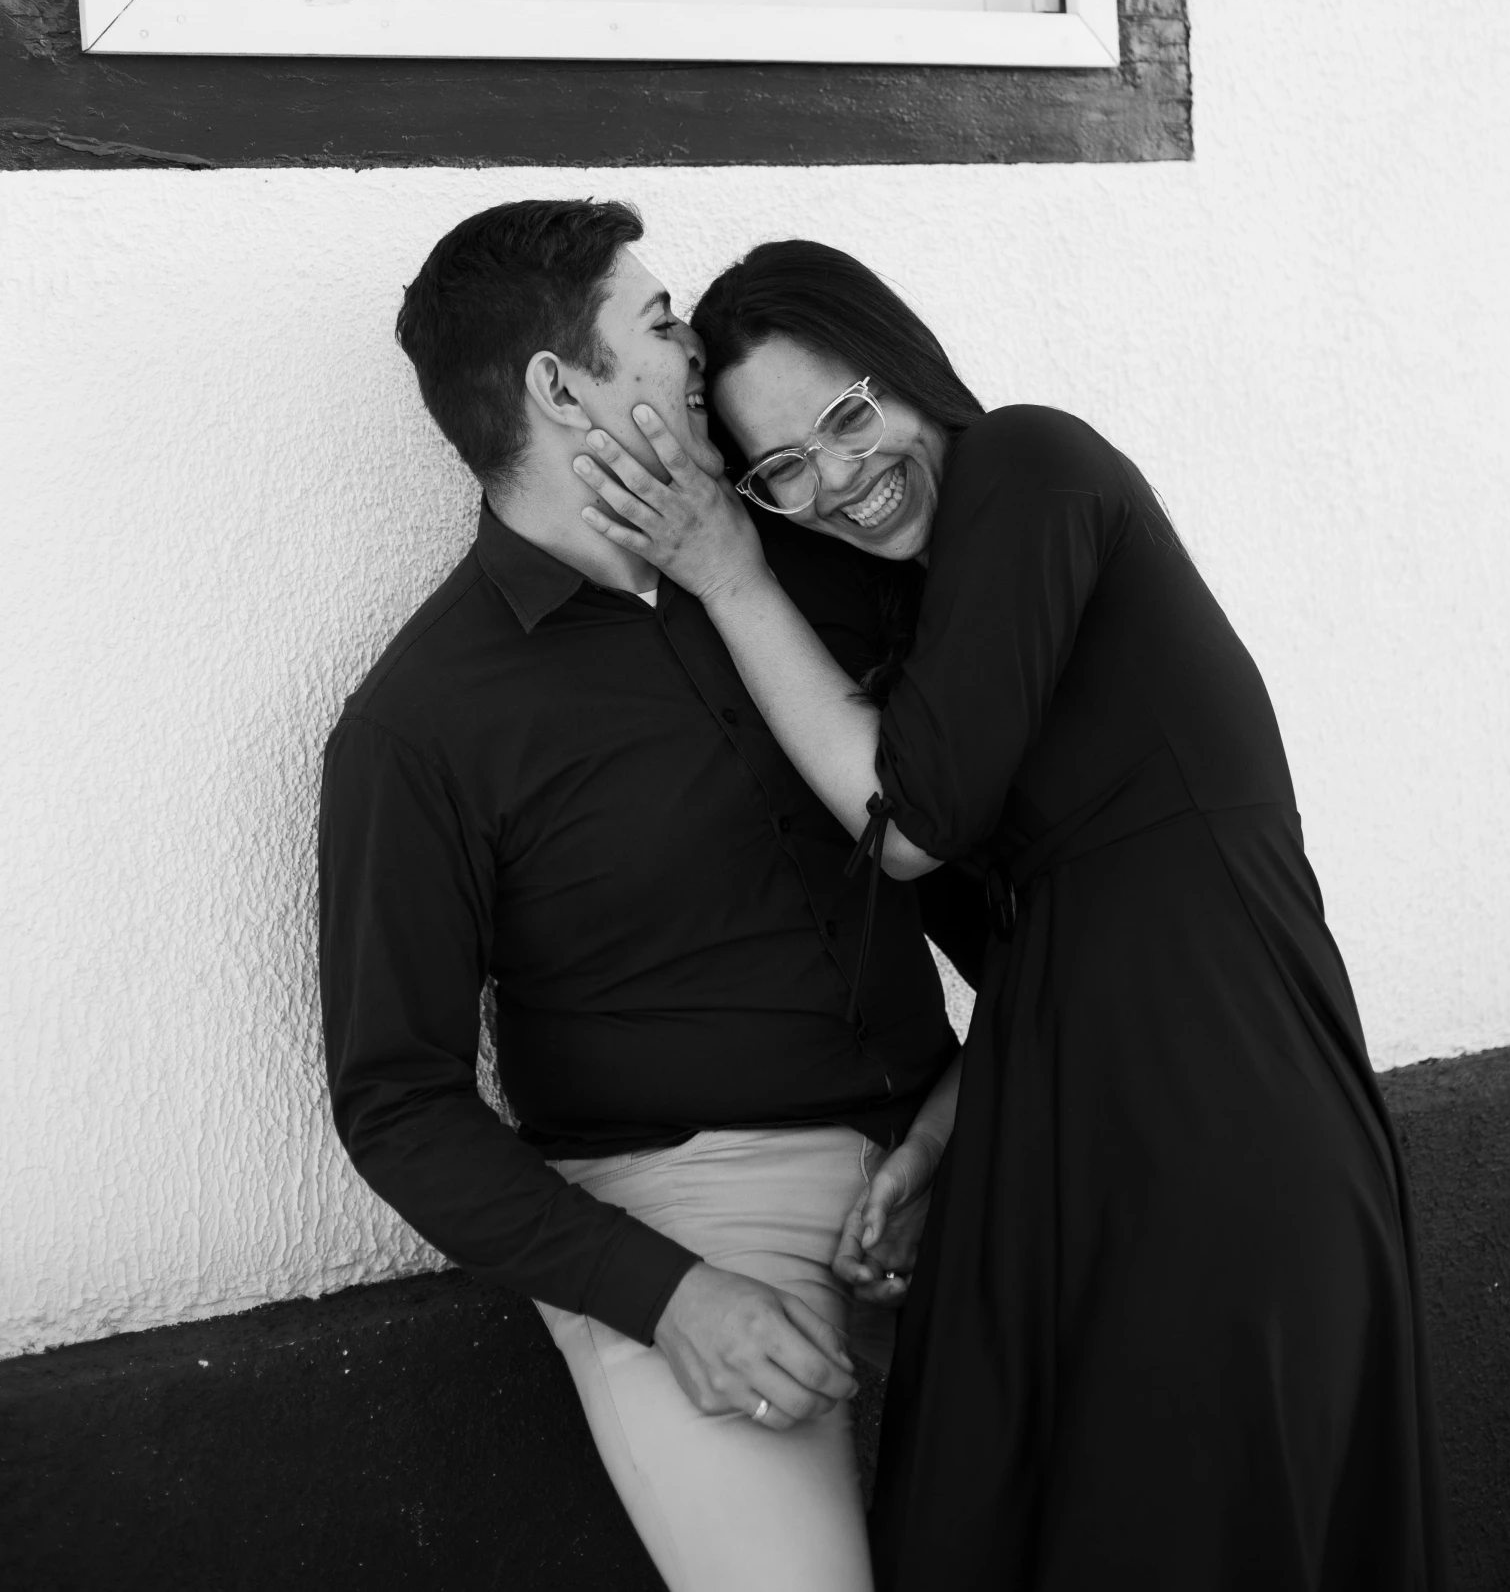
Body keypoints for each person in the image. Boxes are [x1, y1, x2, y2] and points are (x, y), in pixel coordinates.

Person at [570, 237, 1452, 1592]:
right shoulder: (925, 638)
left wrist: (729, 567)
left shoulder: (1036, 464)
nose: (839, 482)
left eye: (849, 418)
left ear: (912, 374)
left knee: (1195, 1517)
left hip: (1222, 1117)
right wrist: (943, 1124)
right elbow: (1049, 939)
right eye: (782, 471)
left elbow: (911, 824)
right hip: (1061, 1129)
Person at [318, 200, 987, 1592]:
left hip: (955, 1135)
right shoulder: (420, 724)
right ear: (560, 387)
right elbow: (398, 1099)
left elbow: (1007, 841)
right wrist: (664, 1293)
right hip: (684, 1208)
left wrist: (965, 1100)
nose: (700, 355)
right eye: (661, 322)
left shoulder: (805, 565)